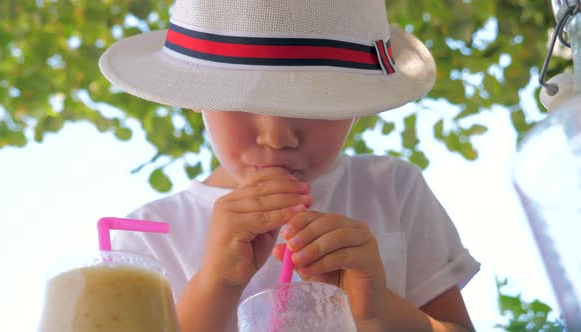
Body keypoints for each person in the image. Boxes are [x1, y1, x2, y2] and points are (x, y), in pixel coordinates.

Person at [99, 0, 480, 330]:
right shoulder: (144, 239)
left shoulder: (392, 189)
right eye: (242, 99)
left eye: (315, 101)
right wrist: (215, 284)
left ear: (357, 109)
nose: (277, 136)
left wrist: (378, 310)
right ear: (195, 94)